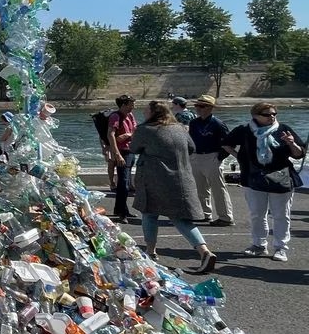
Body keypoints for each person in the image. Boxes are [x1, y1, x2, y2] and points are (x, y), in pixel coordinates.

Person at [129, 100, 217, 274]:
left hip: (154, 178)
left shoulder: (145, 130)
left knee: (149, 213)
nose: (144, 113)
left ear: (154, 113)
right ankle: (204, 251)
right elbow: (191, 148)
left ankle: (151, 251)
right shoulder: (179, 128)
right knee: (181, 218)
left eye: (146, 110)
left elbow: (134, 148)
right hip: (181, 178)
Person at [223, 102, 305, 262]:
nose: (272, 117)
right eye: (267, 114)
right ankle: (259, 245)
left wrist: (291, 143)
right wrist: (239, 156)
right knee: (257, 214)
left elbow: (299, 154)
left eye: (274, 114)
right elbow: (226, 143)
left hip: (281, 177)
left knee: (281, 215)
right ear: (255, 115)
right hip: (253, 177)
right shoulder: (244, 130)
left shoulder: (283, 129)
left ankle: (281, 248)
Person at [187, 94, 234, 226]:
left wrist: (219, 158)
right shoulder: (194, 123)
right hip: (196, 157)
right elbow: (190, 141)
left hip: (212, 156)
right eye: (197, 105)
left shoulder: (218, 124)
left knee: (218, 189)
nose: (198, 108)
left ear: (210, 108)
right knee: (199, 188)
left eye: (201, 106)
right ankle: (205, 213)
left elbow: (229, 143)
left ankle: (225, 217)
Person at [107, 94, 137, 221]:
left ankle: (121, 209)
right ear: (124, 105)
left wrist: (128, 135)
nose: (133, 106)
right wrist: (117, 153)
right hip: (122, 152)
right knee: (123, 184)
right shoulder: (115, 116)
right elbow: (110, 134)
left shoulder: (130, 116)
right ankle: (122, 213)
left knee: (125, 182)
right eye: (131, 104)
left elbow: (135, 130)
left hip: (130, 151)